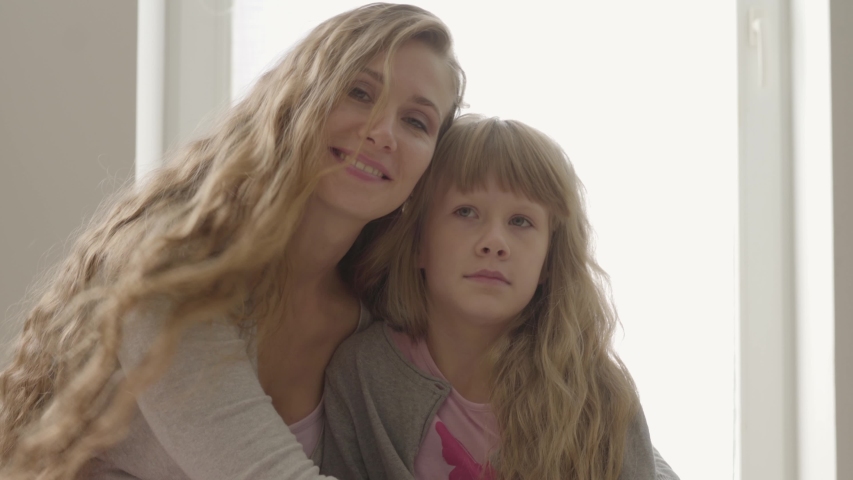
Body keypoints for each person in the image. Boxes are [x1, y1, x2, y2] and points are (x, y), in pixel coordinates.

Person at [0, 4, 465, 479]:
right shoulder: (173, 267)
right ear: (296, 99)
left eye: (416, 122)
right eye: (359, 92)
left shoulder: (378, 321)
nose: (381, 132)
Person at [319, 115, 680, 480]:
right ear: (417, 245)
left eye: (521, 221)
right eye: (466, 212)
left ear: (548, 262)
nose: (494, 242)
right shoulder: (361, 374)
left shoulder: (600, 393)